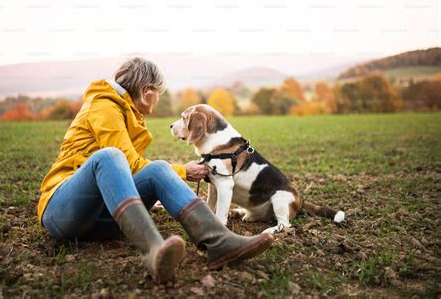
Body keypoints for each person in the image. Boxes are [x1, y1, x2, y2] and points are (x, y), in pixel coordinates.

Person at [38, 57, 273, 283]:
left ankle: (219, 242)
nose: (157, 98)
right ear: (147, 90)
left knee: (158, 168)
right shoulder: (104, 107)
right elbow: (126, 163)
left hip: (100, 217)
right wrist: (183, 171)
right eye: (157, 93)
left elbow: (125, 173)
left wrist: (150, 192)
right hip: (62, 211)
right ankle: (154, 251)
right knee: (109, 156)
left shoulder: (128, 113)